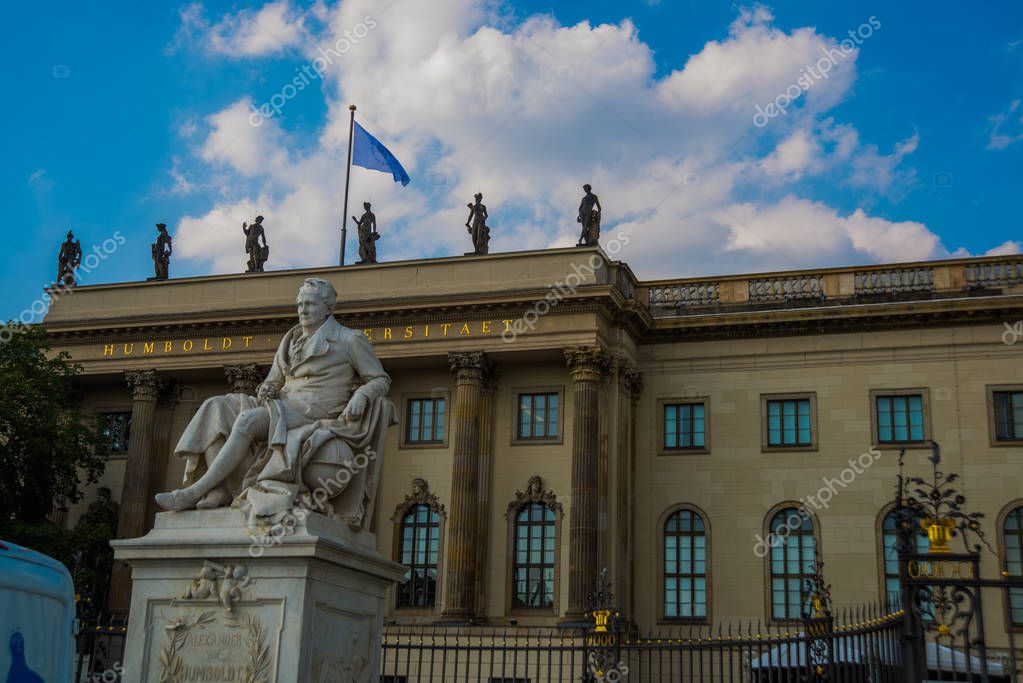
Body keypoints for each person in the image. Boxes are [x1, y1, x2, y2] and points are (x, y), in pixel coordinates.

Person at [154, 277, 391, 519]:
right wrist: (266, 388)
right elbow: (274, 380)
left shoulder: (349, 339)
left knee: (246, 421)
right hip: (282, 404)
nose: (303, 310)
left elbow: (380, 379)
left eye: (310, 304)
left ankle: (194, 492)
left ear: (328, 308)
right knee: (215, 407)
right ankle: (221, 489)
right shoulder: (290, 339)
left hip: (313, 411)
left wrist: (362, 393)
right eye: (300, 304)